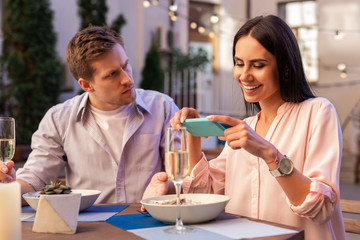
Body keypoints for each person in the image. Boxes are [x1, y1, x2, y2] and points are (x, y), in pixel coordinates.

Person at [142, 15, 346, 239]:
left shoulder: (317, 112)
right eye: (239, 63)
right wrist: (193, 133)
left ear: (285, 68)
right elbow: (205, 193)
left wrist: (270, 154)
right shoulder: (245, 127)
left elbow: (320, 207)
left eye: (258, 65)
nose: (244, 75)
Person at [0, 25, 179, 204]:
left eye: (126, 66)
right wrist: (7, 186)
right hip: (90, 227)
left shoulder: (162, 107)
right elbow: (35, 180)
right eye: (112, 74)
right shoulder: (59, 119)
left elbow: (183, 176)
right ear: (86, 85)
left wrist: (169, 186)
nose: (127, 79)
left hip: (150, 222)